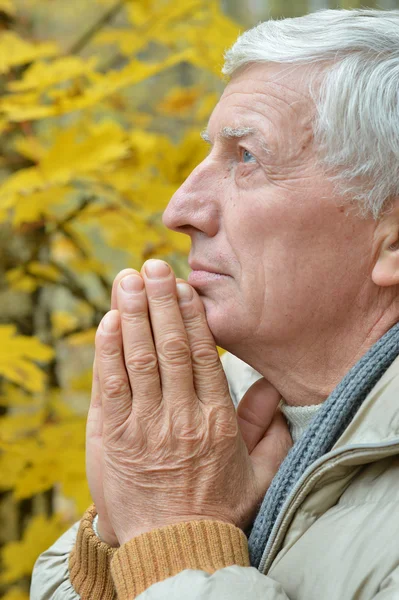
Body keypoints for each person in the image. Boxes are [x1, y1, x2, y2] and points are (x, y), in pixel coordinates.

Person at [31, 9, 399, 600]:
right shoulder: (197, 435)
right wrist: (118, 534)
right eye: (209, 154)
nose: (179, 210)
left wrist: (172, 535)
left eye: (246, 158)